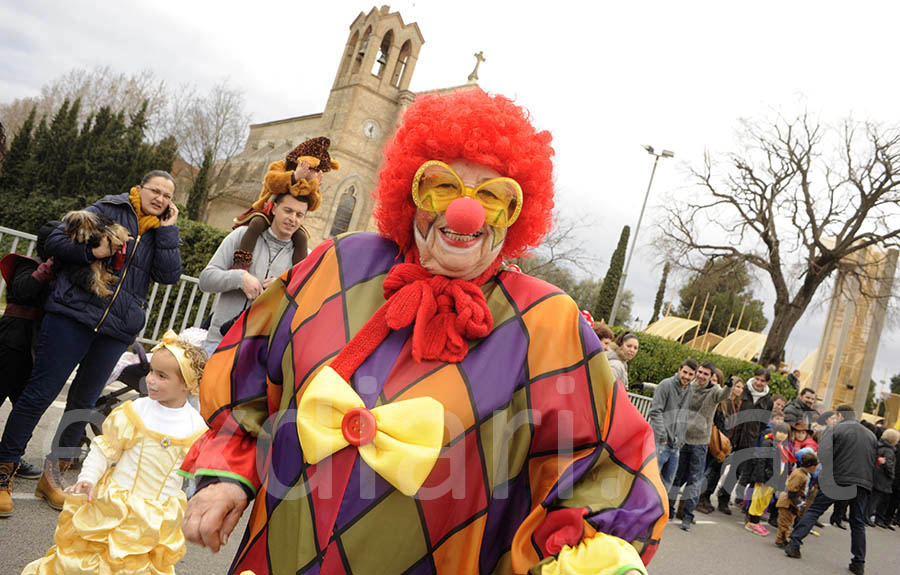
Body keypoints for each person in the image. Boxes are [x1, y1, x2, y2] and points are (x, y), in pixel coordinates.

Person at [179, 90, 664, 575]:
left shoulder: (544, 321)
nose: (464, 213)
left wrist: (592, 561)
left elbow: (604, 464)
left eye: (493, 196)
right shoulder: (338, 265)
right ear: (410, 193)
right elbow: (246, 372)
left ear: (515, 213)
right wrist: (231, 473)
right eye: (442, 186)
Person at [0, 170, 182, 517]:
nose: (160, 199)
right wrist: (93, 250)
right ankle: (3, 470)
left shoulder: (161, 231)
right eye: (155, 191)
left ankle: (54, 476)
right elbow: (55, 241)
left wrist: (169, 231)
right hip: (72, 313)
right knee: (41, 392)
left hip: (116, 330)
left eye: (167, 196)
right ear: (140, 189)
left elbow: (169, 275)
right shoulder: (109, 208)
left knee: (83, 403)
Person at [21, 330, 207, 574]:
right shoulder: (136, 412)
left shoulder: (197, 427)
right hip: (115, 506)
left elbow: (197, 472)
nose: (151, 380)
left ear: (187, 384)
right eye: (151, 371)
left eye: (162, 376)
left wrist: (201, 504)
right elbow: (104, 448)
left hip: (157, 517)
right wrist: (88, 478)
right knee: (94, 559)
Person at [200, 188, 312, 356]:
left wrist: (284, 290)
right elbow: (206, 280)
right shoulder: (240, 235)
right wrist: (240, 277)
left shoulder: (307, 258)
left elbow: (308, 306)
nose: (292, 219)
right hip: (219, 342)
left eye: (299, 215)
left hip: (262, 354)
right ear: (274, 208)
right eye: (287, 210)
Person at [784, 405, 877, 575]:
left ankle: (794, 543)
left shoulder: (835, 430)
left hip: (836, 478)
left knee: (815, 510)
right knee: (858, 522)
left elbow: (824, 456)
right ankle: (859, 562)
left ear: (840, 415)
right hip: (862, 482)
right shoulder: (871, 435)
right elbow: (873, 461)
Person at [0, 222, 58, 481]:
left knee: (26, 404)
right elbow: (23, 291)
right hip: (12, 338)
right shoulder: (29, 264)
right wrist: (48, 267)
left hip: (38, 344)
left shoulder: (62, 272)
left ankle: (9, 456)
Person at [229, 137, 338, 270]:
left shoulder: (312, 183)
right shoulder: (280, 166)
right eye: (314, 169)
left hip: (286, 218)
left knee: (302, 237)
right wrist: (294, 177)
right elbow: (271, 182)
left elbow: (313, 204)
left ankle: (298, 275)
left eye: (318, 171)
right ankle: (241, 262)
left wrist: (314, 185)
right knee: (257, 223)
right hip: (267, 210)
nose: (315, 173)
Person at [671, 361, 732, 530]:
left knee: (694, 481)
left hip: (700, 443)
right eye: (700, 372)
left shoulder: (714, 391)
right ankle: (669, 510)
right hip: (683, 439)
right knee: (676, 477)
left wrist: (729, 387)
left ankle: (687, 517)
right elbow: (669, 390)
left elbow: (723, 395)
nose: (701, 376)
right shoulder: (689, 386)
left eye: (706, 374)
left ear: (711, 377)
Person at [717, 368, 773, 515]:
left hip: (749, 441)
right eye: (757, 379)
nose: (759, 383)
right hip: (732, 436)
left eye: (762, 380)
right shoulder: (743, 391)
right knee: (718, 466)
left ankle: (723, 499)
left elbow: (763, 423)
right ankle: (704, 496)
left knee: (736, 472)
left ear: (767, 382)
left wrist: (754, 435)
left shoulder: (768, 401)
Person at [649, 359, 697, 503]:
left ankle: (655, 515)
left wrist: (681, 439)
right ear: (679, 369)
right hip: (660, 443)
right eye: (685, 372)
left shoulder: (689, 389)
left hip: (676, 446)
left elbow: (684, 415)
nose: (687, 377)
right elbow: (655, 411)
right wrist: (662, 435)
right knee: (651, 481)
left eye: (690, 374)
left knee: (666, 484)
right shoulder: (666, 385)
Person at [698, 374, 743, 514]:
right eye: (737, 386)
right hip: (716, 439)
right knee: (709, 472)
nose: (739, 389)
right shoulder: (724, 402)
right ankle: (700, 498)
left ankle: (704, 498)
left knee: (716, 472)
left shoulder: (737, 404)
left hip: (725, 443)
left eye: (742, 387)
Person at [744, 422, 791, 536]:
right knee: (758, 499)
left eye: (785, 432)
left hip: (774, 478)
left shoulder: (783, 446)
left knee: (765, 500)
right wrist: (760, 477)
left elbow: (784, 465)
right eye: (780, 431)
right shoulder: (768, 443)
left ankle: (757, 520)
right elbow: (761, 461)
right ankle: (752, 522)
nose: (782, 434)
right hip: (765, 476)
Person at [775, 451, 819, 548]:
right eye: (816, 466)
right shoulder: (799, 475)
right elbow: (792, 490)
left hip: (792, 502)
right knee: (785, 523)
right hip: (787, 502)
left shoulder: (804, 474)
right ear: (811, 466)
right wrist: (799, 503)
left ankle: (784, 538)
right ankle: (781, 540)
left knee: (789, 522)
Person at [869, 428, 898, 527]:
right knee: (875, 499)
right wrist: (892, 475)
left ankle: (866, 516)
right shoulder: (889, 450)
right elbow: (889, 465)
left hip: (875, 475)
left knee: (872, 498)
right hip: (883, 478)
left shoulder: (879, 446)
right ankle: (867, 517)